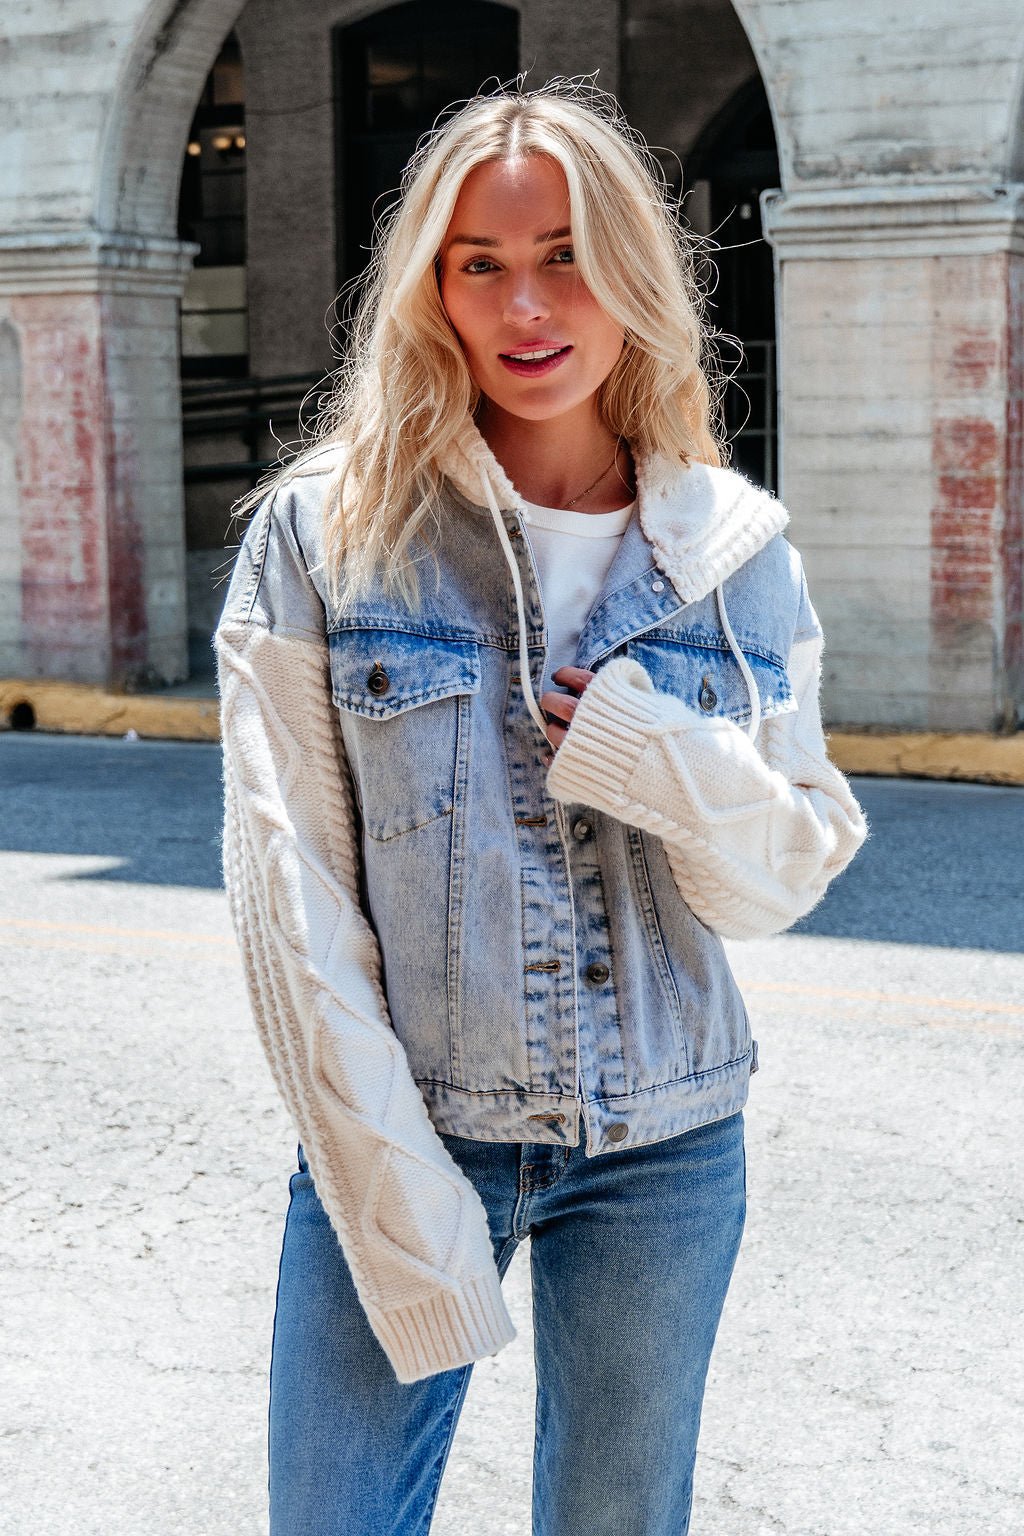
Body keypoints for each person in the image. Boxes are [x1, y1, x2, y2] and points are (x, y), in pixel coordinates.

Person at [215, 79, 867, 1536]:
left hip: (668, 1148)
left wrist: (664, 760)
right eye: (482, 263)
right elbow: (293, 905)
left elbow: (786, 873)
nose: (528, 305)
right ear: (430, 289)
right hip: (406, 1128)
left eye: (567, 254)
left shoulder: (736, 549)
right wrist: (397, 1192)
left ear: (634, 270)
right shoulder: (324, 538)